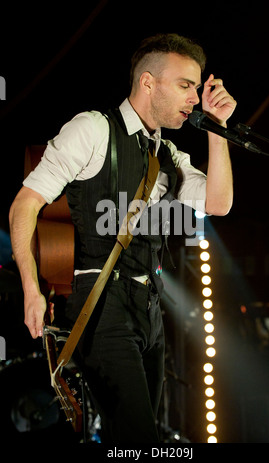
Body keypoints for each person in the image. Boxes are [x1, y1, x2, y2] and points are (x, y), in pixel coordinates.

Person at [9, 33, 236, 443]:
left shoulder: (168, 153)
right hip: (102, 304)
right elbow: (24, 203)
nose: (193, 97)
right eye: (185, 85)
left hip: (149, 308)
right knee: (138, 438)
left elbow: (219, 204)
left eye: (196, 87)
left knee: (134, 441)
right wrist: (31, 289)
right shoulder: (93, 129)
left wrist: (217, 129)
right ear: (148, 82)